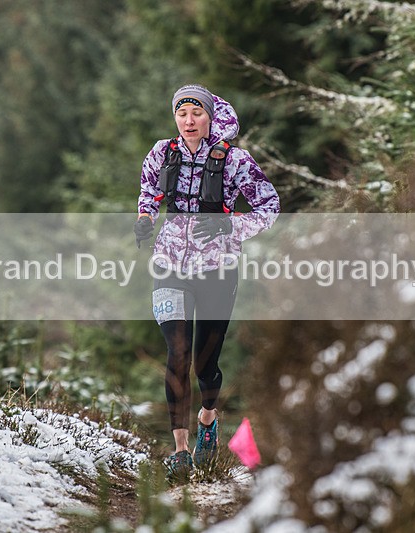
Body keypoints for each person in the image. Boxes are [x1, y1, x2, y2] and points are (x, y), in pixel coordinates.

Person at [134, 84, 280, 480]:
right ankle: (181, 448)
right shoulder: (162, 154)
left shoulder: (235, 161)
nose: (188, 120)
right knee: (177, 352)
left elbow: (270, 206)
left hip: (218, 268)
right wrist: (147, 217)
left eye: (196, 113)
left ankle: (208, 419)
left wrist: (228, 225)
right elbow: (149, 191)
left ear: (210, 117)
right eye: (182, 113)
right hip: (169, 265)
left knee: (204, 363)